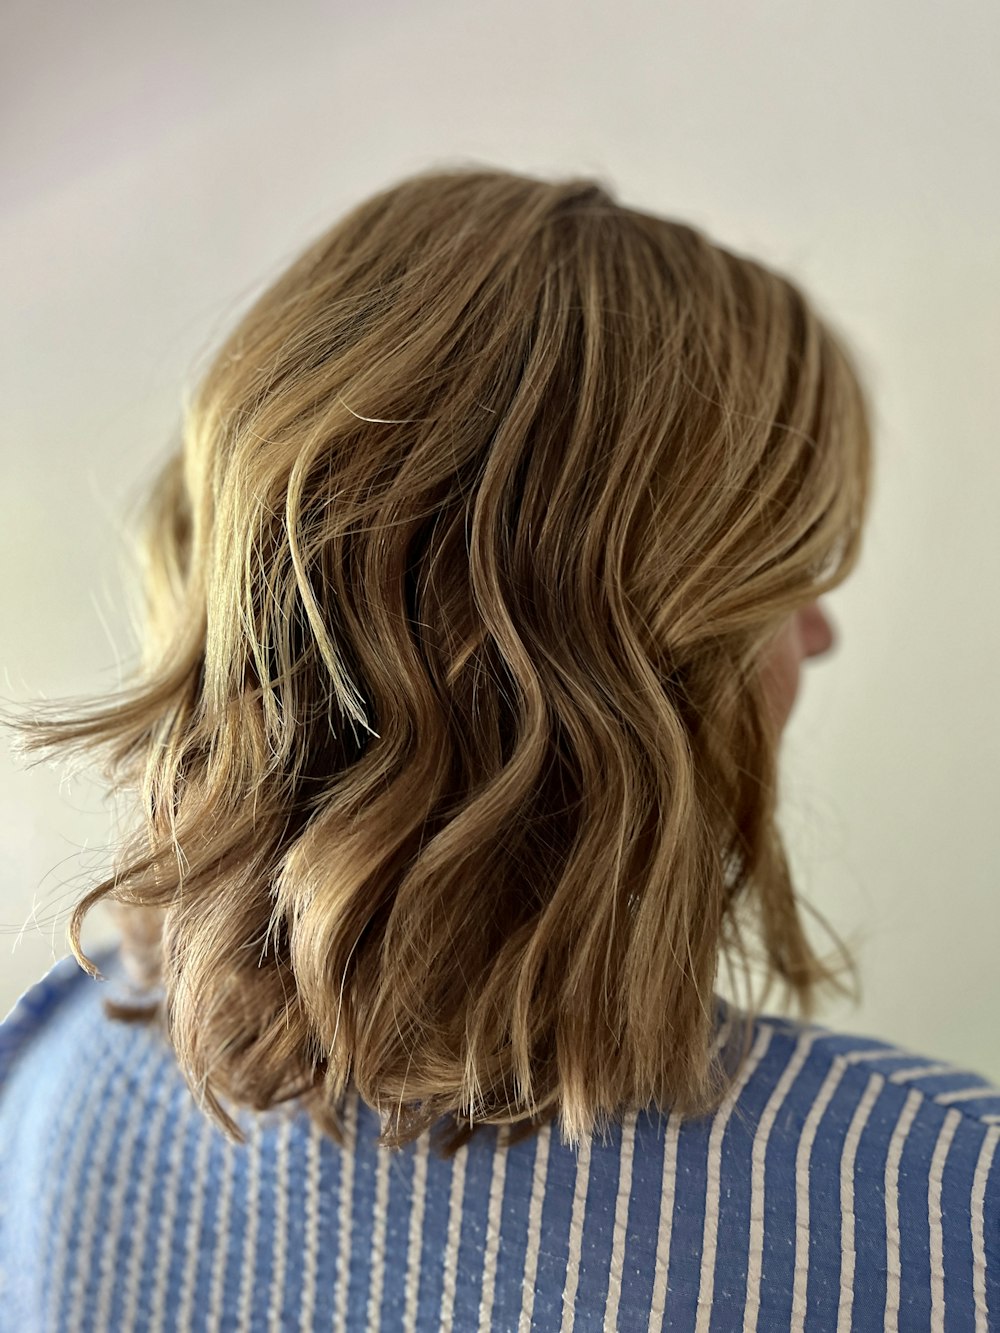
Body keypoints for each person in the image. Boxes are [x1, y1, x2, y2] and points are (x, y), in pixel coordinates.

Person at [0, 165, 997, 1332]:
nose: (817, 637)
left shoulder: (51, 1072)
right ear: (630, 653)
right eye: (778, 585)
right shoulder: (934, 1205)